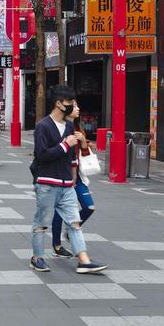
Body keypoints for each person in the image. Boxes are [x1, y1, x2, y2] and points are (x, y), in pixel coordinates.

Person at [28, 84, 106, 274]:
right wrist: (64, 145)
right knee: (42, 223)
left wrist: (72, 180)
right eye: (69, 102)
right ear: (59, 104)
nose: (72, 105)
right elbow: (41, 155)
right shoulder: (43, 126)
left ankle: (83, 260)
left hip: (66, 185)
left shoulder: (70, 125)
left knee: (75, 222)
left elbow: (72, 157)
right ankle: (37, 258)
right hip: (47, 183)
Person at [50, 100, 96, 258]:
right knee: (58, 213)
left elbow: (85, 155)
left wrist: (83, 143)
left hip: (77, 179)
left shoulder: (77, 129)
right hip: (61, 177)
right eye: (74, 106)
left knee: (89, 207)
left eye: (77, 105)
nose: (78, 108)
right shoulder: (57, 127)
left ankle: (70, 231)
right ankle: (57, 245)